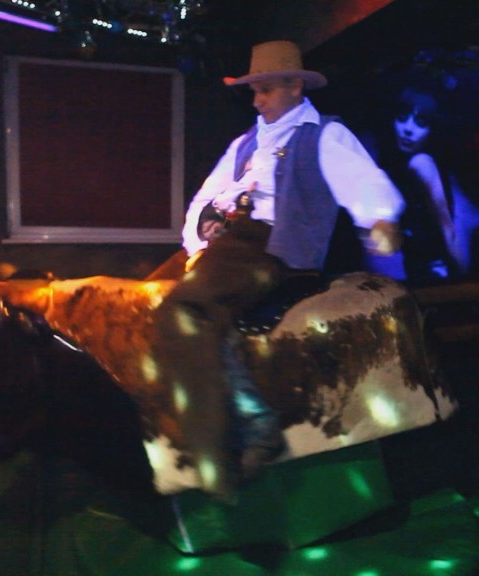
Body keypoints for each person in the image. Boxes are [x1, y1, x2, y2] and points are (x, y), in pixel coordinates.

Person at [148, 40, 404, 498]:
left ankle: (221, 452)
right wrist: (199, 234)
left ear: (294, 86)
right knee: (145, 295)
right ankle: (196, 416)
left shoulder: (322, 134)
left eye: (265, 89)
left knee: (184, 312)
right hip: (225, 244)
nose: (257, 100)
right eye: (254, 91)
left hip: (272, 246)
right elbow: (208, 193)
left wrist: (380, 219)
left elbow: (362, 182)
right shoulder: (246, 142)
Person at [369, 86, 479, 285]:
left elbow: (447, 227)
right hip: (421, 273)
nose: (408, 129)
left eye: (421, 122)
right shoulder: (402, 163)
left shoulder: (421, 163)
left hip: (436, 276)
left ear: (434, 128)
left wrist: (463, 282)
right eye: (402, 117)